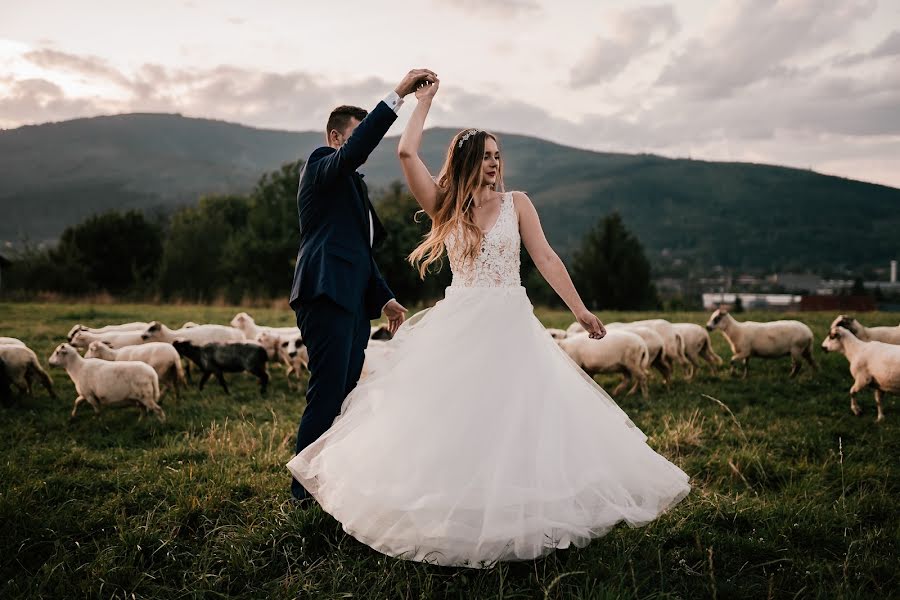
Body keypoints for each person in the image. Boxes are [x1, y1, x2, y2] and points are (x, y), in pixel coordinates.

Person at [287, 77, 691, 566]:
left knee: (520, 418)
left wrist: (579, 309)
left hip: (512, 324)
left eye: (498, 154)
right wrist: (423, 104)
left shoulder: (519, 203)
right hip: (461, 325)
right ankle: (455, 513)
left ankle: (520, 512)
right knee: (457, 421)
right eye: (485, 154)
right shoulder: (445, 206)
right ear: (465, 162)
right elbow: (407, 156)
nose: (495, 162)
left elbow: (545, 258)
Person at [288, 69, 437, 503]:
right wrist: (400, 94)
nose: (360, 150)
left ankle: (332, 480)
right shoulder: (320, 165)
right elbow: (357, 149)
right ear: (337, 139)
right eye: (352, 139)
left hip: (353, 299)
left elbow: (359, 252)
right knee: (328, 391)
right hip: (324, 293)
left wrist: (386, 297)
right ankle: (303, 493)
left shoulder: (350, 187)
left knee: (347, 392)